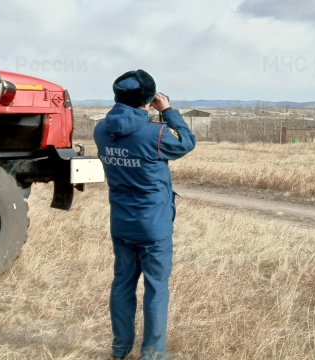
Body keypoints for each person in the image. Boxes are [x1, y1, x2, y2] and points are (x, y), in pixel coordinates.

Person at [93, 69, 196, 360]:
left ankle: (120, 348)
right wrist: (168, 111)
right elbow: (187, 141)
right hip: (154, 224)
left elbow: (123, 126)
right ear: (149, 99)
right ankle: (151, 353)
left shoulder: (101, 130)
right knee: (155, 288)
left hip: (121, 222)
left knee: (122, 283)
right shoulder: (157, 133)